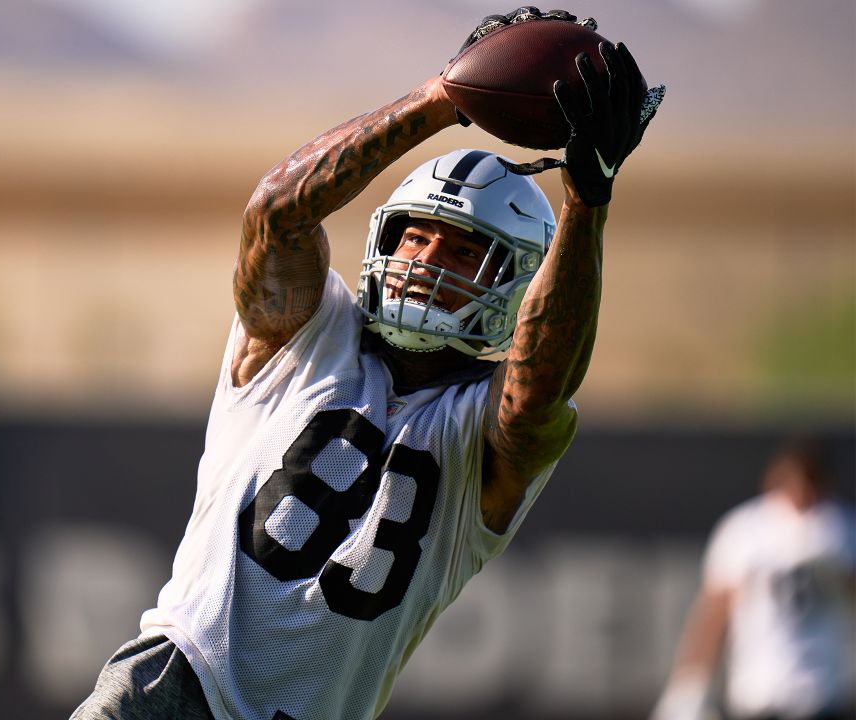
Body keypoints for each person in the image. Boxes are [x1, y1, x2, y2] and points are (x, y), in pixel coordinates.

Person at [73, 7, 664, 720]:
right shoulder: (306, 334)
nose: (423, 261)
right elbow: (277, 215)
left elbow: (539, 391)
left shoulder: (481, 427)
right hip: (175, 686)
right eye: (415, 237)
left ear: (515, 281)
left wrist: (586, 202)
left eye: (460, 249)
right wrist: (443, 98)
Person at [651, 439, 856, 720]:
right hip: (758, 691)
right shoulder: (746, 531)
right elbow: (714, 614)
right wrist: (690, 683)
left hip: (819, 694)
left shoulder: (839, 530)